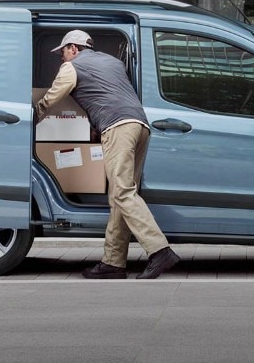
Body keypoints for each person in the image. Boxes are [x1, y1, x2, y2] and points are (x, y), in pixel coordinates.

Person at [36, 30, 180, 280]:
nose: (62, 58)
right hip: (139, 126)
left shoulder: (72, 67)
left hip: (118, 127)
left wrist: (32, 116)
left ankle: (159, 250)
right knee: (120, 195)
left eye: (62, 52)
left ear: (73, 48)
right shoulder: (113, 62)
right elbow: (107, 94)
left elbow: (51, 99)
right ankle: (113, 263)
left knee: (123, 192)